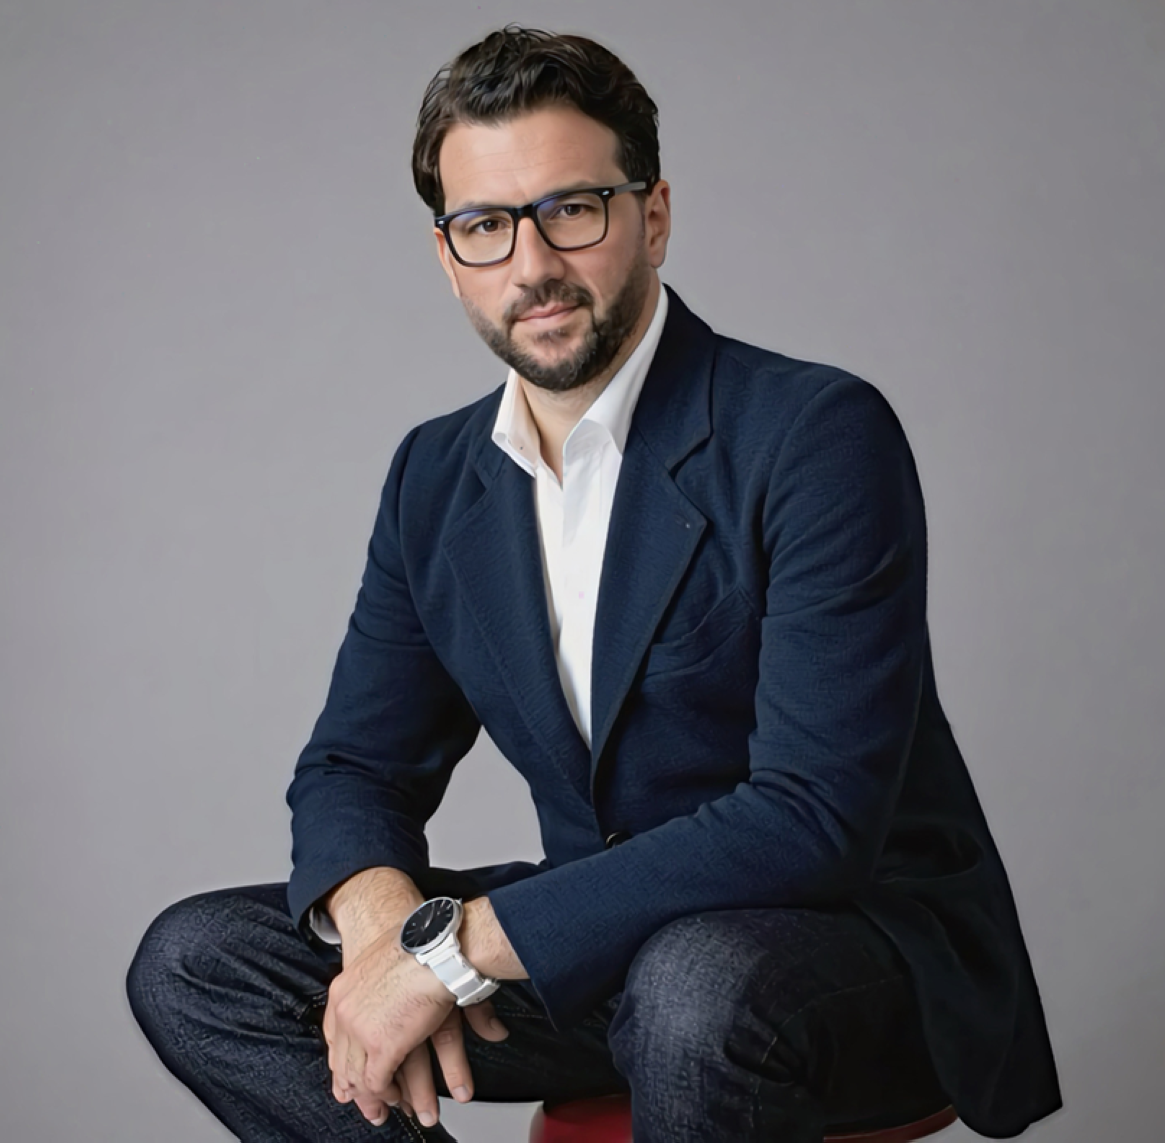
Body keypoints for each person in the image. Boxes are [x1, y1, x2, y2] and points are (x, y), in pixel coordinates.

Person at [127, 26, 1062, 1143]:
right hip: (600, 953)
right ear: (448, 255)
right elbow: (353, 767)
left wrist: (453, 952)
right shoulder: (437, 475)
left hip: (845, 954)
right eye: (485, 226)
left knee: (694, 982)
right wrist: (385, 943)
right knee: (198, 961)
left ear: (652, 216)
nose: (531, 266)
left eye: (571, 209)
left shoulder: (814, 433)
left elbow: (810, 818)